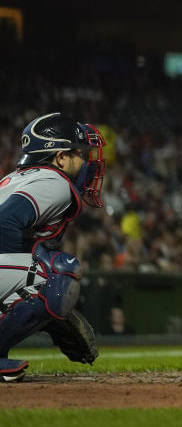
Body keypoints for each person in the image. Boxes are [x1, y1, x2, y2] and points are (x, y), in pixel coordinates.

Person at [0, 113, 106, 382]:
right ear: (60, 158)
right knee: (57, 274)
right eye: (79, 153)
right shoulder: (54, 181)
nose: (85, 161)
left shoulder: (22, 177)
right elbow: (5, 220)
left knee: (41, 269)